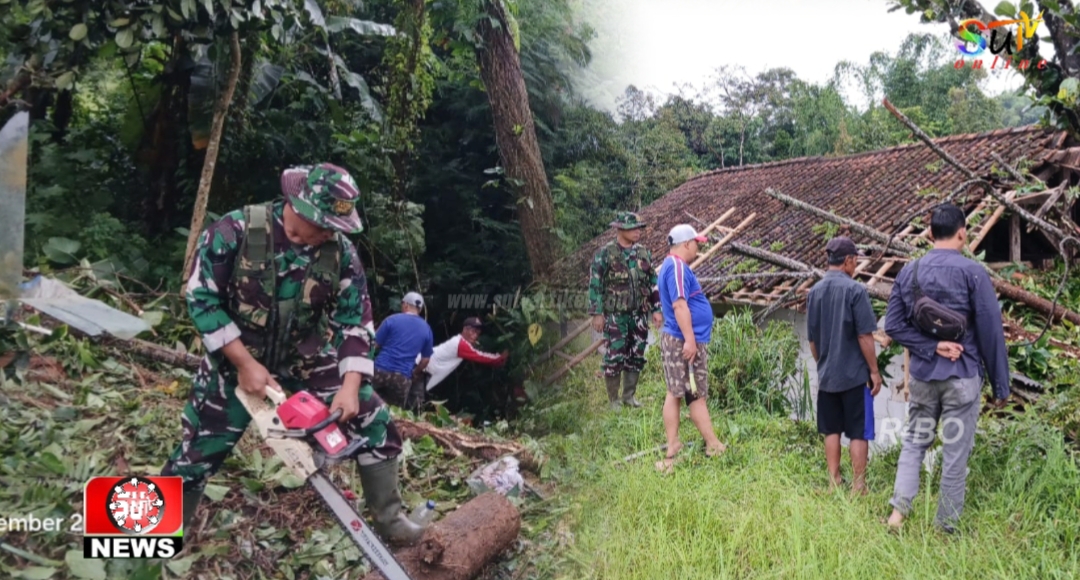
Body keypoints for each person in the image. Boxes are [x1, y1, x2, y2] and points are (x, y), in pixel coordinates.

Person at [162, 163, 425, 545]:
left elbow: (355, 323)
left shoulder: (340, 254)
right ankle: (146, 539)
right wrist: (245, 364)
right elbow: (201, 298)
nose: (328, 235)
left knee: (376, 423)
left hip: (306, 358)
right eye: (322, 226)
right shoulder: (237, 231)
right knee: (194, 455)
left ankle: (390, 521)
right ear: (297, 207)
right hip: (234, 359)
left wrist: (351, 387)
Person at [884, 203, 1010, 533]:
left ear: (929, 234)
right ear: (962, 233)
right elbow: (990, 331)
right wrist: (1001, 387)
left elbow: (893, 326)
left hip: (924, 378)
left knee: (914, 443)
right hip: (962, 381)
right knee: (955, 452)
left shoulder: (909, 272)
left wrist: (930, 346)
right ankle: (945, 527)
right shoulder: (973, 273)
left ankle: (897, 515)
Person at [806, 236, 882, 495]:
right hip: (854, 375)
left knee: (832, 429)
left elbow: (813, 341)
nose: (856, 265)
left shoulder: (814, 292)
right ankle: (859, 486)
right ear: (848, 260)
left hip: (827, 375)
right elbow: (864, 336)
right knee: (858, 431)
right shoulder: (855, 290)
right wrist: (874, 370)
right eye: (855, 260)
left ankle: (834, 481)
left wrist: (823, 365)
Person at [655, 224, 726, 473]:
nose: (698, 247)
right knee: (684, 392)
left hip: (682, 338)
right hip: (681, 339)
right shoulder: (675, 266)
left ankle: (706, 443)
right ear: (686, 244)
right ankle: (699, 444)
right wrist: (690, 340)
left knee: (688, 392)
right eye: (696, 243)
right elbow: (680, 306)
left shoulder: (675, 266)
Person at [587, 211, 663, 409]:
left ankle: (629, 396)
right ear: (620, 229)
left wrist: (656, 309)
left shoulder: (643, 253)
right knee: (614, 356)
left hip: (639, 314)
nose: (638, 232)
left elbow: (653, 282)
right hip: (615, 316)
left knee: (636, 354)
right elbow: (595, 284)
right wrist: (597, 313)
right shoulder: (606, 254)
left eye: (639, 228)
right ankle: (614, 400)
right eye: (633, 228)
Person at [406, 317, 509, 412]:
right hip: (420, 367)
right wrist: (500, 358)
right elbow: (480, 357)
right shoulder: (461, 344)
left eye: (478, 333)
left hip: (422, 367)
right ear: (465, 330)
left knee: (411, 399)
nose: (475, 335)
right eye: (473, 331)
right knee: (415, 404)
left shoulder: (460, 341)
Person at [372, 292, 434, 408]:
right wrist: (415, 373)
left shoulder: (392, 320)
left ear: (405, 305)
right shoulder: (427, 329)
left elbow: (374, 344)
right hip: (402, 378)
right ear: (419, 310)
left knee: (363, 403)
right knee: (393, 414)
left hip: (379, 370)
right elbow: (425, 360)